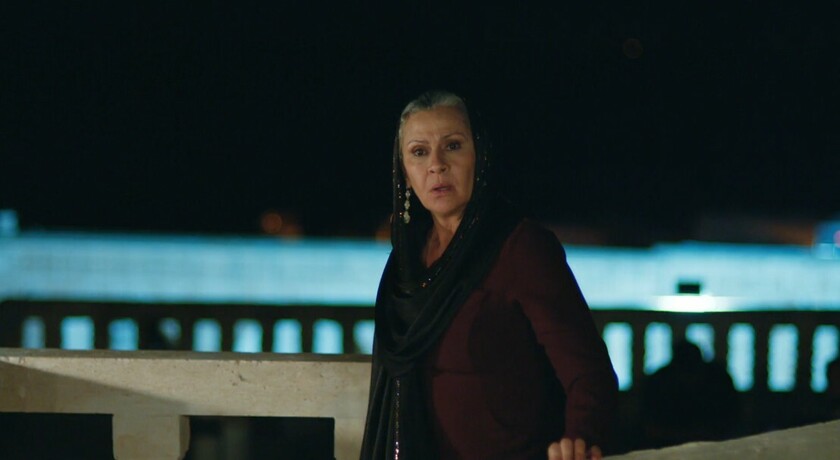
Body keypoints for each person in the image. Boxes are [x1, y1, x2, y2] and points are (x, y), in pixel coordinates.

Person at [361, 90, 618, 460]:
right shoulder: (405, 263)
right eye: (419, 152)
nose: (436, 165)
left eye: (452, 146)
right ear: (404, 172)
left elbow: (588, 372)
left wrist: (581, 438)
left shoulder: (520, 247)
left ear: (480, 155)